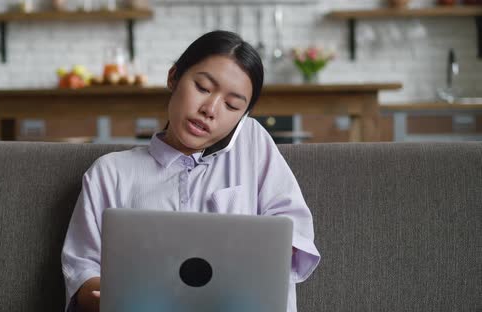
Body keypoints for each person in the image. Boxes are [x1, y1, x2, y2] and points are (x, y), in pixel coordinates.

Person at [61, 30, 320, 312]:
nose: (210, 109)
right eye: (203, 88)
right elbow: (82, 269)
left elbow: (294, 235)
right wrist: (109, 297)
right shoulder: (110, 173)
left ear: (242, 118)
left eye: (232, 106)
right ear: (174, 77)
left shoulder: (251, 144)